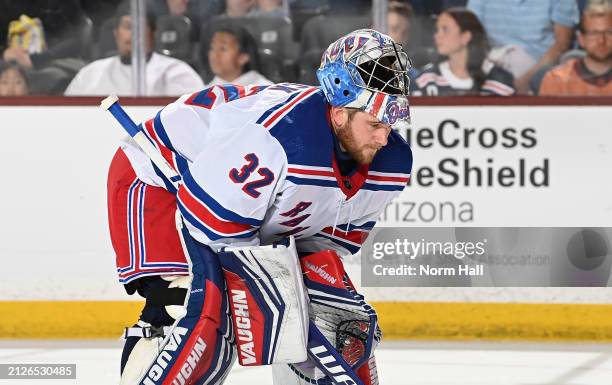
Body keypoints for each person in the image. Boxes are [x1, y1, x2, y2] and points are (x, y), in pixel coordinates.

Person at [107, 29, 412, 385]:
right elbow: (212, 231)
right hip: (159, 177)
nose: (383, 138)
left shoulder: (390, 163)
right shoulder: (278, 139)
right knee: (192, 310)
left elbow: (319, 251)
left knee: (333, 320)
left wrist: (307, 301)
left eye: (389, 124)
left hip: (234, 205)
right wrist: (269, 289)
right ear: (340, 114)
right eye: (375, 124)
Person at [64, 1, 203, 96]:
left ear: (153, 33)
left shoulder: (178, 73)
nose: (133, 33)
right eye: (127, 26)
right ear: (116, 33)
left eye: (140, 26)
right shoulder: (90, 74)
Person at [467, 0, 579, 94]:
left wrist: (526, 81)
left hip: (539, 65)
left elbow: (562, 45)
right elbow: (471, 36)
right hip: (493, 62)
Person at [412, 7, 515, 96]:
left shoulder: (499, 80)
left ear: (466, 37)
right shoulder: (426, 80)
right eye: (437, 30)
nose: (437, 36)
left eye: (445, 29)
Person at [539, 2, 612, 95]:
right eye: (594, 33)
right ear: (581, 39)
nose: (601, 40)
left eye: (609, 33)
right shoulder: (556, 80)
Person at [206, 25, 272, 87]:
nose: (214, 55)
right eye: (212, 48)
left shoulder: (263, 90)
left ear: (243, 57)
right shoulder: (205, 91)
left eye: (222, 49)